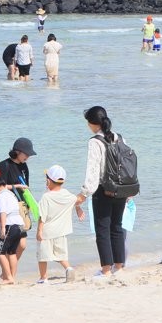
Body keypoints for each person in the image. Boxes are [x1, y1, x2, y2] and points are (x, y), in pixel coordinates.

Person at [76, 106, 129, 275]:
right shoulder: (119, 137)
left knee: (102, 230)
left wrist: (83, 194)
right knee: (117, 226)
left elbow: (93, 170)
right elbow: (126, 165)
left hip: (103, 190)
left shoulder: (95, 142)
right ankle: (118, 267)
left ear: (92, 123)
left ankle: (106, 269)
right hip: (120, 188)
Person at [35, 165, 84, 284]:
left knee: (43, 256)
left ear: (48, 180)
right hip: (61, 232)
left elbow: (42, 216)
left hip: (47, 232)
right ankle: (69, 268)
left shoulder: (46, 197)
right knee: (61, 255)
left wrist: (39, 231)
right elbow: (77, 199)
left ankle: (43, 278)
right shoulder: (66, 194)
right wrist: (78, 208)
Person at [0, 174, 25, 284]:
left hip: (9, 225)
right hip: (19, 226)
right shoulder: (11, 194)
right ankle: (12, 277)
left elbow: (3, 212)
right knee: (12, 252)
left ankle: (8, 277)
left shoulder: (0, 197)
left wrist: (2, 228)